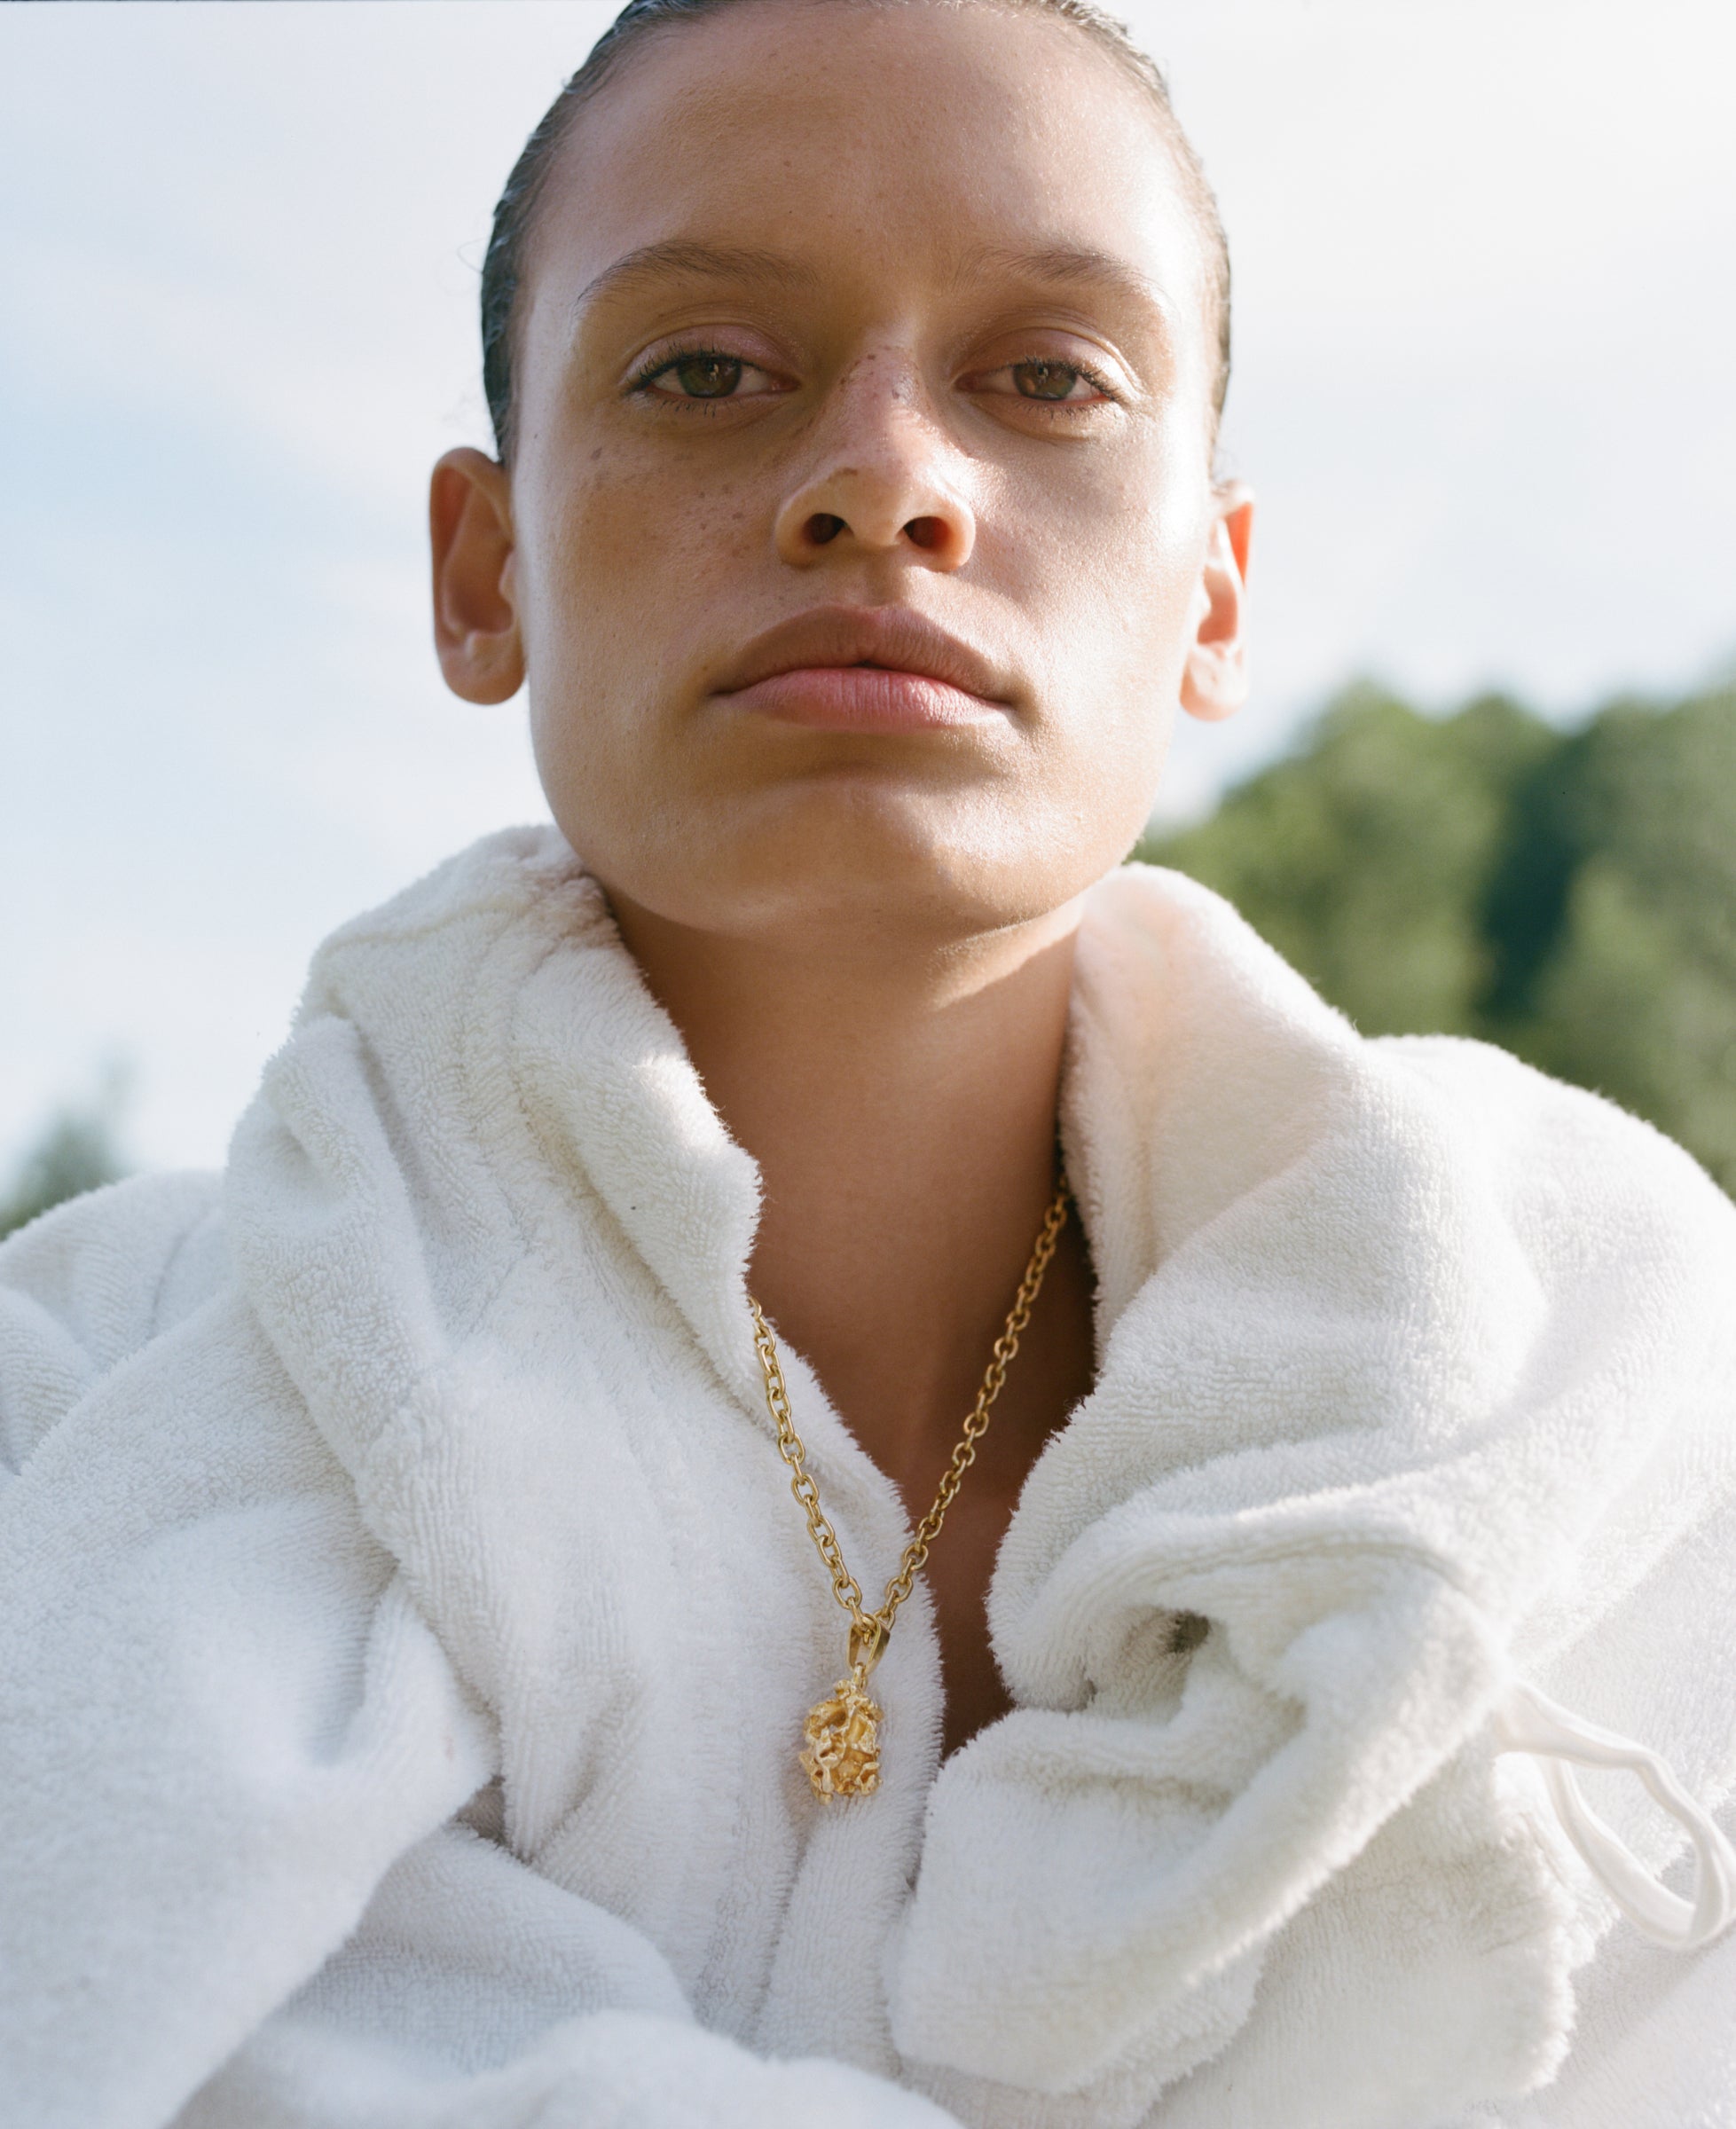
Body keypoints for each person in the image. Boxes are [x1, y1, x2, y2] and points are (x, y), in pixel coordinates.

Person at [3, 0, 1733, 2123]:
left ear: (1213, 584)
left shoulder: (1610, 1398)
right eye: (705, 373)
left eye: (1047, 381)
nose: (884, 482)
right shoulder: (65, 1415)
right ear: (482, 568)